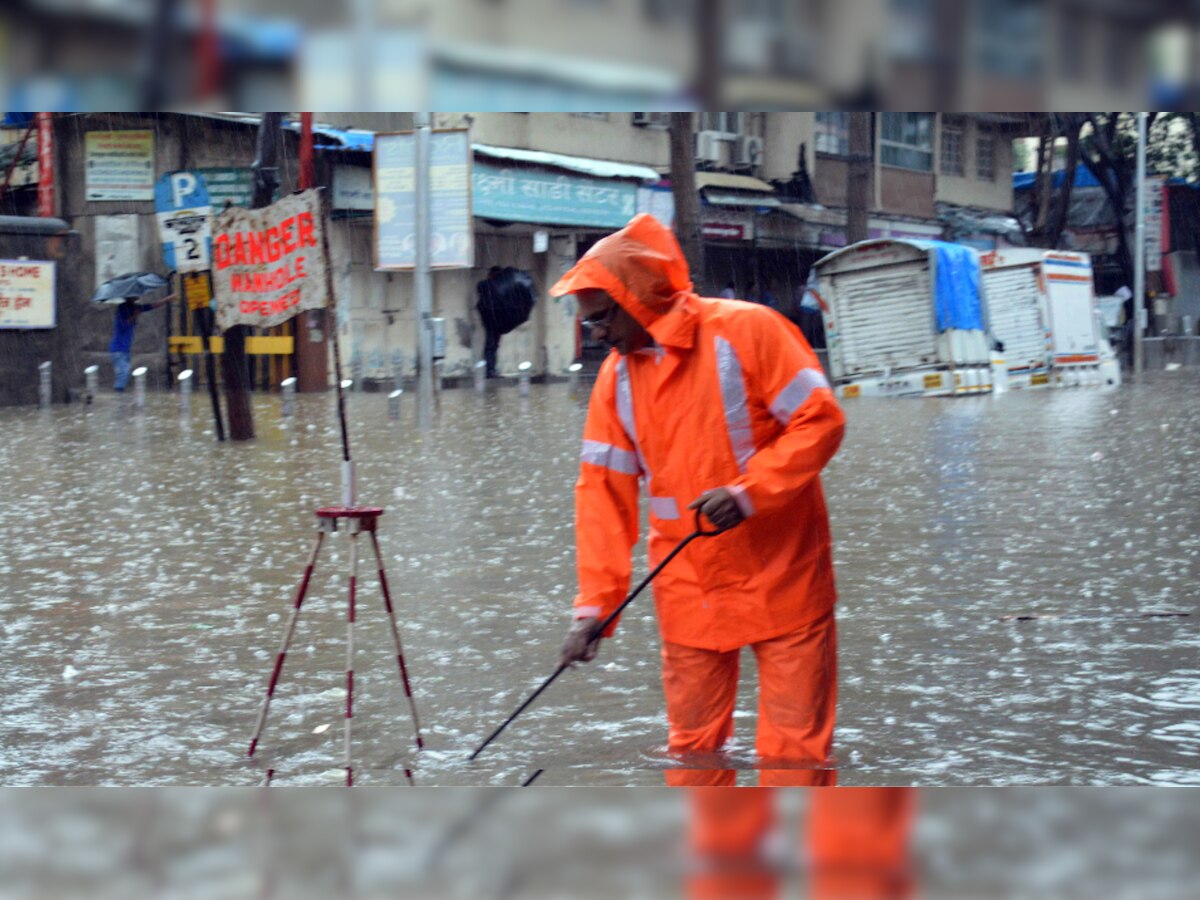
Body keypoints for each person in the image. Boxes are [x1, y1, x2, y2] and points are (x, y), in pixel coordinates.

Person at [550, 214, 845, 786]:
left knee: (795, 757)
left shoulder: (750, 331)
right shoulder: (616, 381)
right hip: (690, 591)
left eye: (602, 318)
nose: (597, 336)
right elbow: (601, 500)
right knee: (692, 759)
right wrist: (594, 610)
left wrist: (748, 493)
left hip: (784, 579)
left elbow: (821, 420)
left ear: (636, 297)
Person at [109, 294, 173, 391]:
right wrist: (134, 315)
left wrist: (167, 299)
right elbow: (122, 327)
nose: (138, 296)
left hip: (125, 349)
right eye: (135, 294)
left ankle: (120, 397)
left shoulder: (135, 307)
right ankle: (118, 399)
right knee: (123, 373)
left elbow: (151, 306)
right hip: (118, 349)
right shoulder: (122, 308)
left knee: (123, 374)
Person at [476, 266, 504, 378]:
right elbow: (480, 287)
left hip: (497, 319)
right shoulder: (485, 285)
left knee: (494, 345)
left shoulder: (499, 287)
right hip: (490, 319)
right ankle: (489, 370)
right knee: (491, 345)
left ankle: (491, 369)